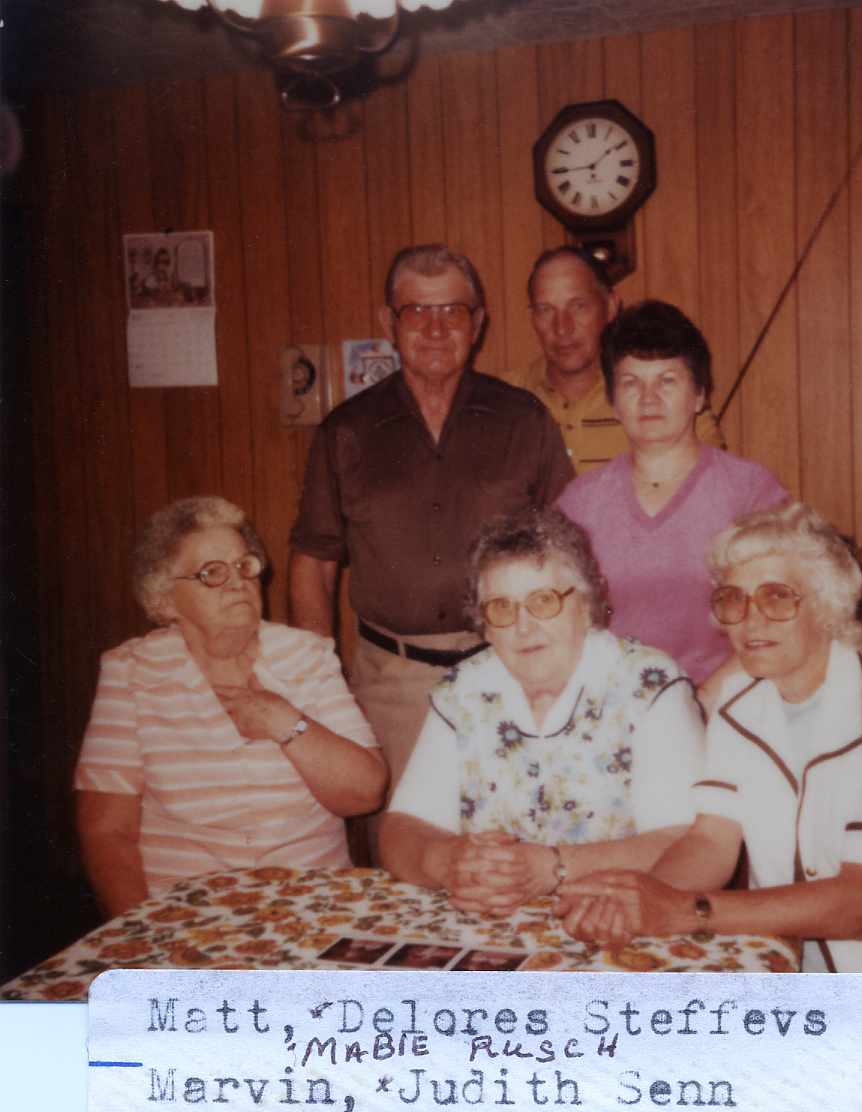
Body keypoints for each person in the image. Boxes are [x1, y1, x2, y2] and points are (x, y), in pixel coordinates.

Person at [556, 503, 862, 1002]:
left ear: (828, 607)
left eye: (777, 596)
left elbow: (855, 905)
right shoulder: (737, 708)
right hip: (799, 984)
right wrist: (633, 901)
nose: (750, 619)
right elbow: (711, 841)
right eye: (733, 599)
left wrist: (682, 911)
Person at [288, 245, 574, 792]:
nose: (436, 327)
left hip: (509, 668)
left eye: (453, 311)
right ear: (388, 323)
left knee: (509, 843)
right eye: (417, 311)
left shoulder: (525, 420)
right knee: (402, 855)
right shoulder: (346, 431)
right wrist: (319, 682)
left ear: (479, 323)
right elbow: (314, 562)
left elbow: (565, 553)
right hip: (390, 684)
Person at [380, 507, 705, 918]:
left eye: (543, 601)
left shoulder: (649, 686)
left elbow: (690, 841)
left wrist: (556, 867)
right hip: (493, 930)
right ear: (483, 622)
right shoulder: (463, 691)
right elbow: (402, 829)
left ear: (587, 603)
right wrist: (445, 860)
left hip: (616, 925)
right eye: (501, 607)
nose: (523, 626)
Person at [74, 497, 387, 920]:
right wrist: (143, 938)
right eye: (212, 573)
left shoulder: (306, 656)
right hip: (185, 920)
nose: (237, 582)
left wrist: (286, 723)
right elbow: (106, 831)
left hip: (314, 908)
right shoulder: (131, 674)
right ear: (164, 600)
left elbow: (365, 792)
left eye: (244, 567)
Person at [556, 299, 788, 690]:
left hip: (733, 701)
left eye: (667, 380)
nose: (648, 398)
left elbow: (783, 617)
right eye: (631, 383)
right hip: (613, 706)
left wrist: (704, 701)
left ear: (699, 395)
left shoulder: (751, 493)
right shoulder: (580, 502)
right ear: (613, 402)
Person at [498, 246, 723, 473]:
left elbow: (713, 483)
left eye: (578, 306)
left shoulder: (655, 397)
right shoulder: (502, 398)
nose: (562, 328)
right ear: (532, 318)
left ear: (610, 307)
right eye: (546, 310)